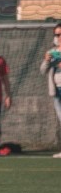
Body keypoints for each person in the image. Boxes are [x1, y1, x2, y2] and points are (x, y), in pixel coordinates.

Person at [40, 23, 61, 158]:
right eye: (56, 34)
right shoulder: (52, 51)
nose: (58, 37)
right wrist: (47, 60)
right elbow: (42, 70)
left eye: (60, 34)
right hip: (57, 90)